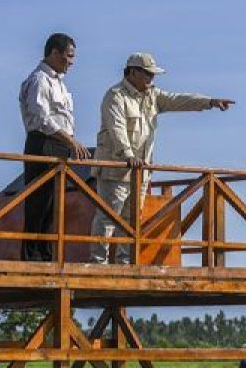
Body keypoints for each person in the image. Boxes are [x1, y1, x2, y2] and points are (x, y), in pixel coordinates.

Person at [90, 52, 235, 264]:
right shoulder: (115, 95)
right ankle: (98, 262)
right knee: (107, 218)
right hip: (116, 168)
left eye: (152, 75)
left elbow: (178, 100)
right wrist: (129, 155)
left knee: (131, 221)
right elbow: (117, 129)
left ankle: (124, 262)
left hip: (140, 172)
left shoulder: (153, 96)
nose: (151, 79)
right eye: (147, 74)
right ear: (132, 72)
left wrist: (209, 102)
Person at [19, 33, 89, 262]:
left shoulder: (59, 82)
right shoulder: (40, 79)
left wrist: (69, 141)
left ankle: (46, 252)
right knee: (39, 200)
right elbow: (42, 119)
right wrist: (70, 140)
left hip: (59, 145)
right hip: (44, 143)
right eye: (68, 56)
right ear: (54, 53)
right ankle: (31, 255)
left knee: (53, 203)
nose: (71, 61)